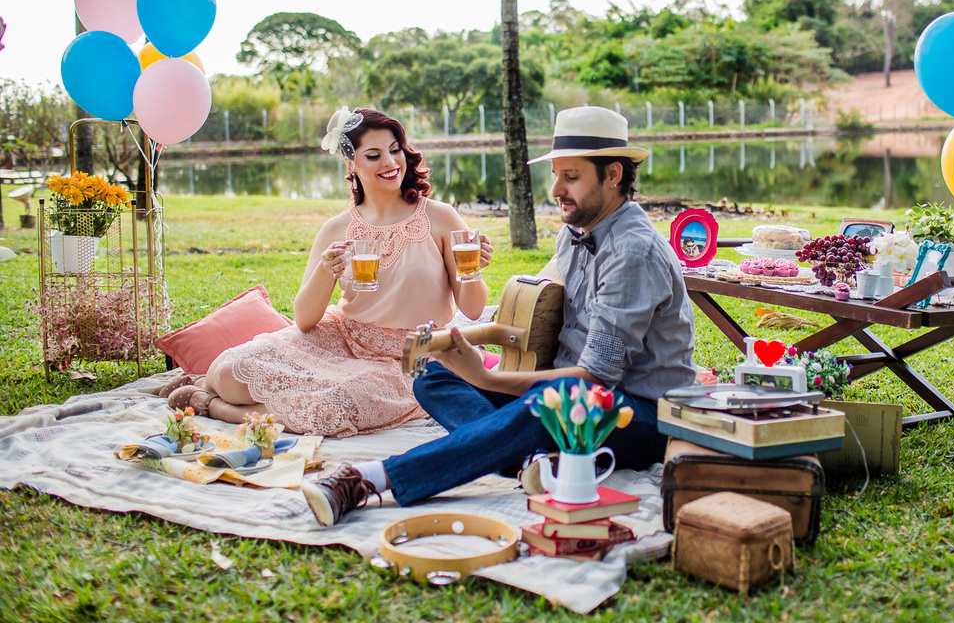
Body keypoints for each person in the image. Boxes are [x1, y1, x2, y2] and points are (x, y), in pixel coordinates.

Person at [302, 106, 696, 525]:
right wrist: (475, 345)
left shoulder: (632, 251)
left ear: (613, 174)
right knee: (433, 375)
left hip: (642, 414)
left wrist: (487, 378)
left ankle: (372, 479)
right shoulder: (576, 231)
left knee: (553, 403)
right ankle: (528, 460)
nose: (556, 189)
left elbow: (596, 379)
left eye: (572, 177)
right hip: (569, 391)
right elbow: (541, 313)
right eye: (556, 174)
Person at [163, 107, 492, 437]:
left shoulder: (439, 217)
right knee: (230, 372)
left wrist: (473, 270)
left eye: (395, 150)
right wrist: (325, 270)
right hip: (345, 337)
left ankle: (213, 406)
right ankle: (219, 390)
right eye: (374, 155)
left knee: (331, 408)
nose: (391, 163)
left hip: (415, 354)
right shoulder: (337, 228)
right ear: (351, 164)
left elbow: (474, 310)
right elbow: (304, 319)